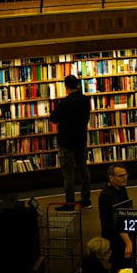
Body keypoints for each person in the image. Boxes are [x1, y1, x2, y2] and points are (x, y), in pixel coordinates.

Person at [49, 74, 92, 209]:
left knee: (69, 175)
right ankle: (86, 200)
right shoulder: (85, 100)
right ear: (78, 85)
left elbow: (54, 118)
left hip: (67, 142)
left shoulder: (64, 103)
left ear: (66, 87)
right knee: (83, 170)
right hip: (81, 140)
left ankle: (69, 203)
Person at [98, 162, 133, 272]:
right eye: (121, 176)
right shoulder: (107, 196)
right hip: (115, 239)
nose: (125, 178)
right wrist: (128, 243)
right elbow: (117, 222)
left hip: (124, 232)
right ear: (111, 178)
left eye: (126, 174)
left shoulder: (121, 188)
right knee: (119, 267)